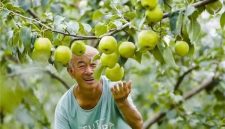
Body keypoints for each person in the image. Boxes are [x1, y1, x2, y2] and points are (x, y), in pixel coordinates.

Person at [54, 45, 143, 129]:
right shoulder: (64, 107)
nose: (89, 71)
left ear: (101, 67)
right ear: (71, 72)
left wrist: (122, 102)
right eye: (82, 66)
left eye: (93, 65)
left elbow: (138, 125)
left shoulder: (115, 89)